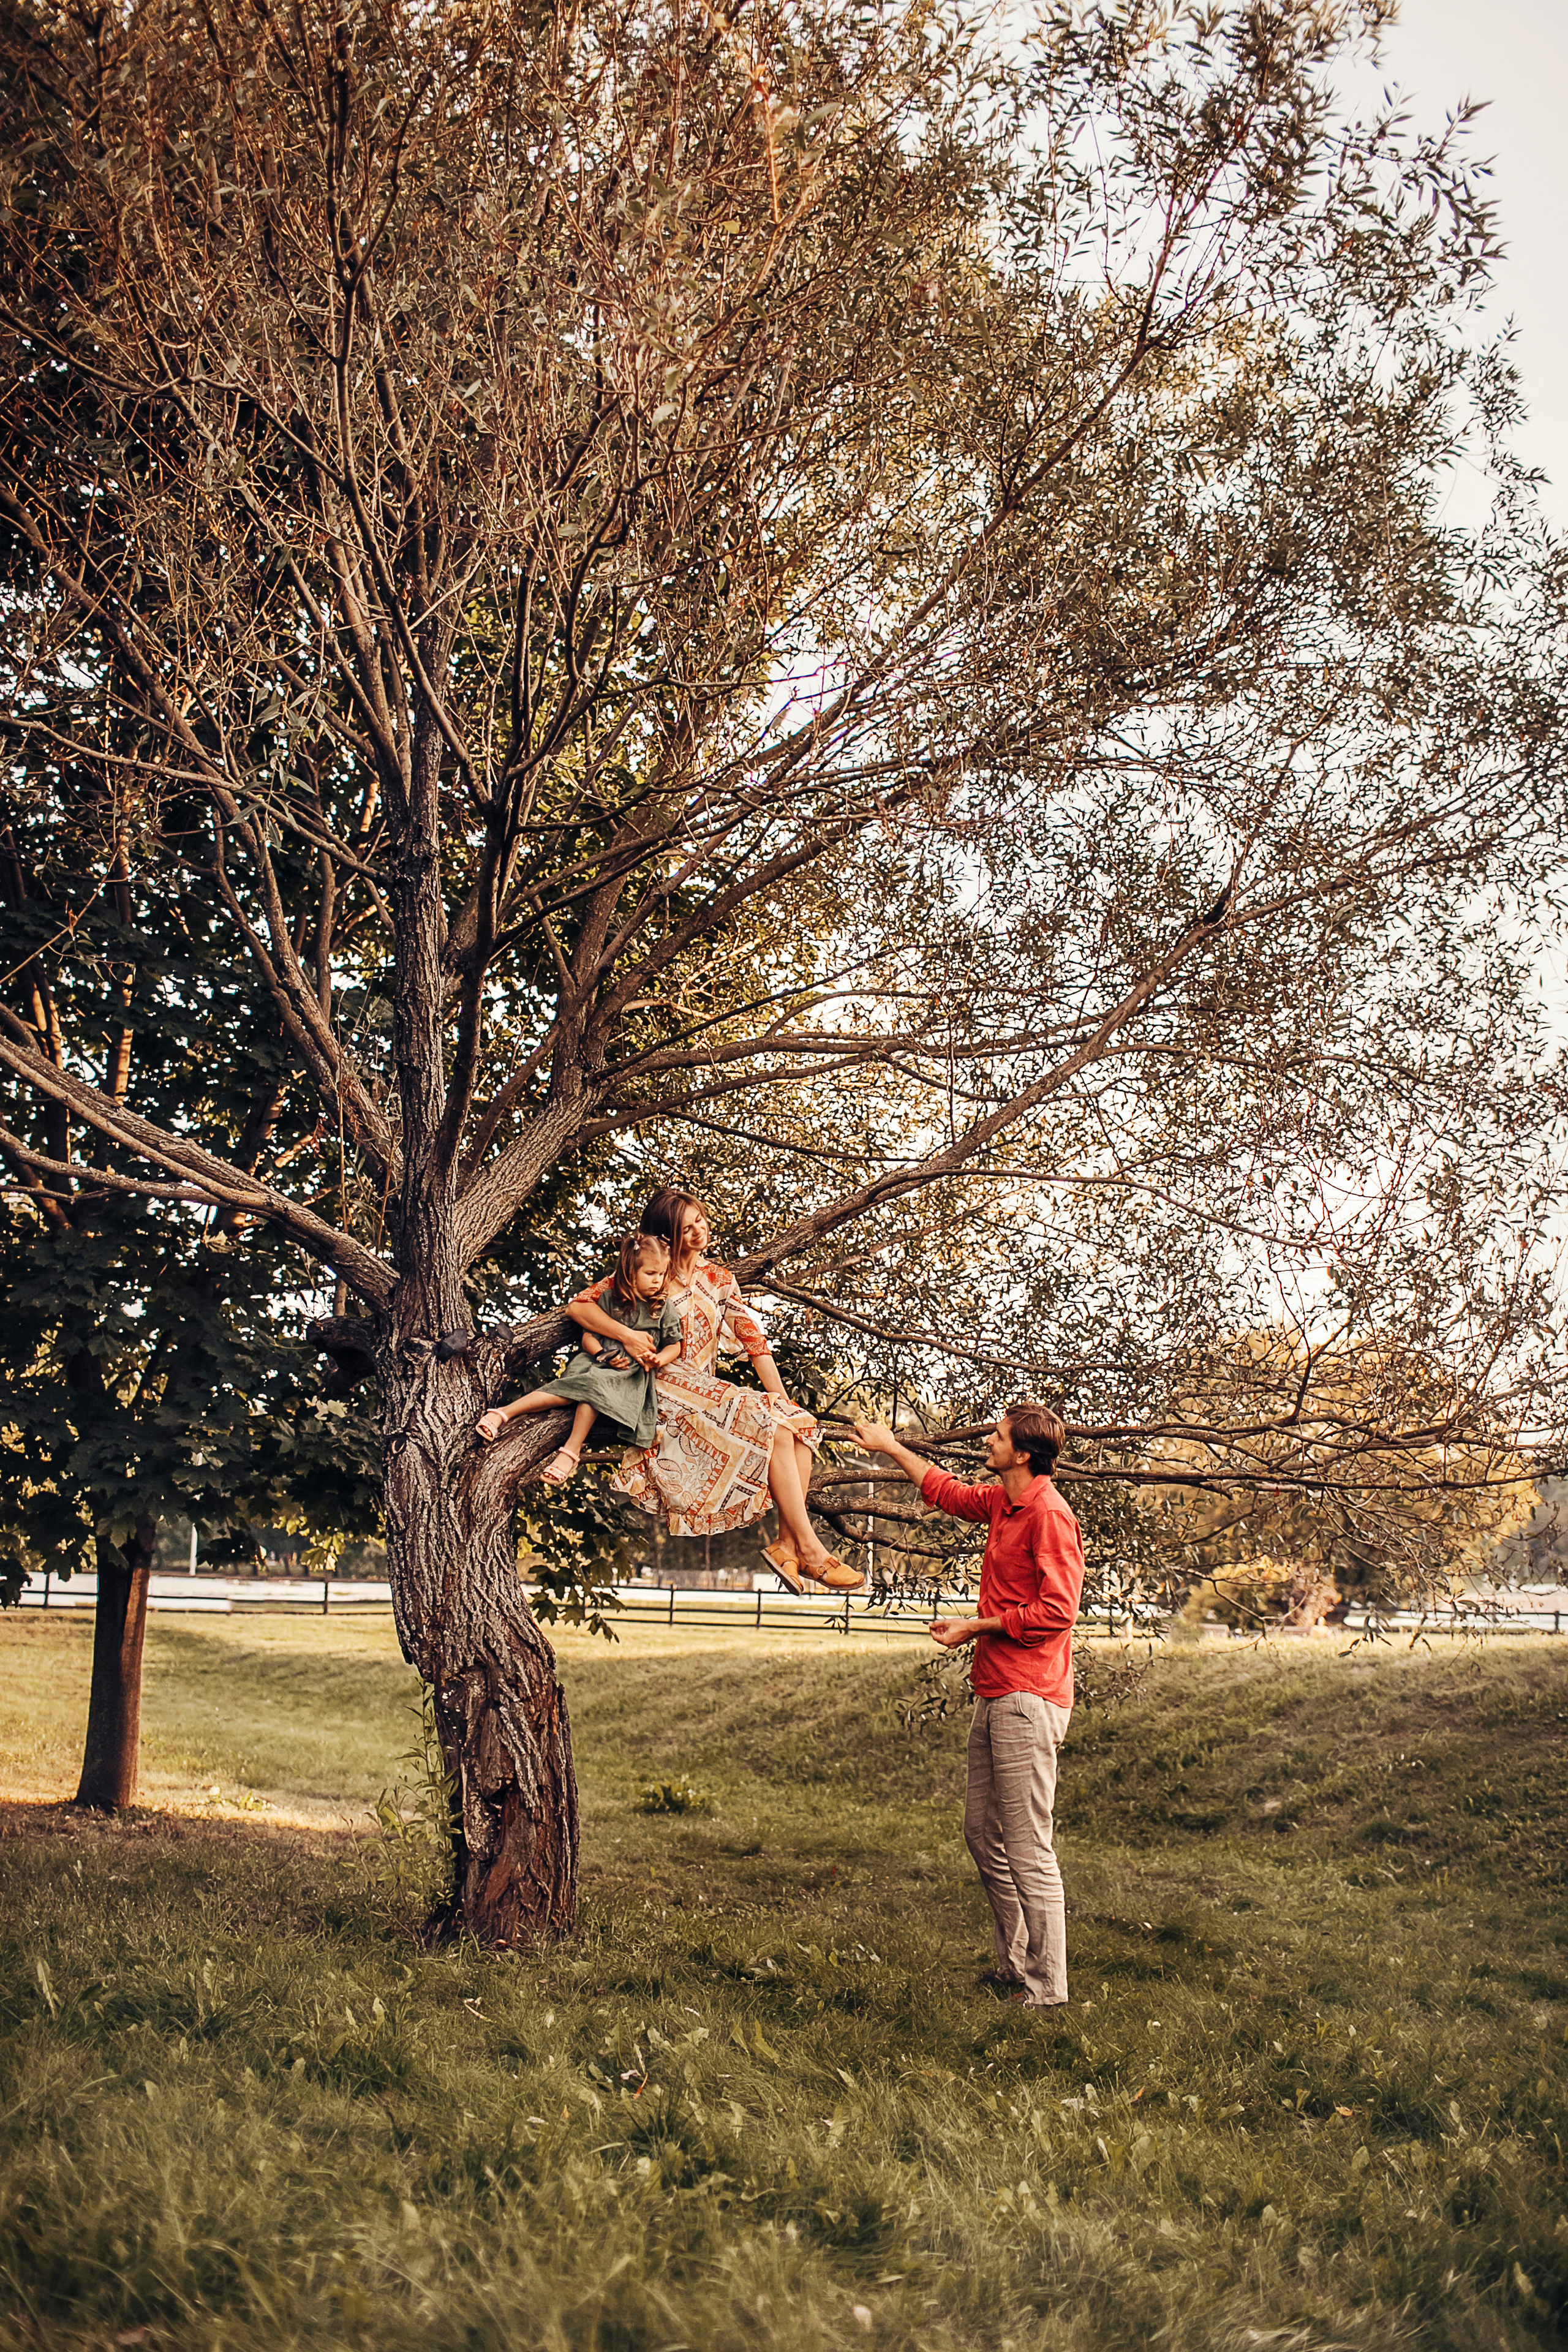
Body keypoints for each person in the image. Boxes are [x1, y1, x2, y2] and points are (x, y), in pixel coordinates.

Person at [853, 1402, 1084, 2006]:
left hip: (1028, 1696)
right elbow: (946, 1493)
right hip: (996, 1690)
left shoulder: (1048, 1515)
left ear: (1024, 1454)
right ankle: (1015, 1966)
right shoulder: (1002, 1502)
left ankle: (1048, 1987)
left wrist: (975, 1628)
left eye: (999, 1436)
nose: (990, 1438)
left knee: (1028, 1845)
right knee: (982, 1835)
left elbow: (1058, 1613)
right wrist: (890, 1447)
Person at [567, 1188, 864, 1593]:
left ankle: (787, 1546)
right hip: (658, 1384)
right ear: (666, 1235)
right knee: (774, 1428)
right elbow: (579, 1307)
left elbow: (754, 1342)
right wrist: (629, 1338)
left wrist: (779, 1399)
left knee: (798, 1423)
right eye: (686, 1228)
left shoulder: (719, 1279)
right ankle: (808, 1550)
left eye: (701, 1222)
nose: (699, 1232)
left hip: (704, 1388)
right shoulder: (649, 1272)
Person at [475, 1231, 682, 1480]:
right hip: (598, 1362)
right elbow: (588, 1338)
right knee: (563, 1390)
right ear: (630, 1270)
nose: (658, 1281)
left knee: (593, 1391)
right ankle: (503, 1413)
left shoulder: (663, 1308)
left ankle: (571, 1451)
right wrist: (604, 1355)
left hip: (629, 1374)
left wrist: (660, 1359)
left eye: (662, 1274)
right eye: (650, 1274)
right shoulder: (609, 1299)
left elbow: (675, 1345)